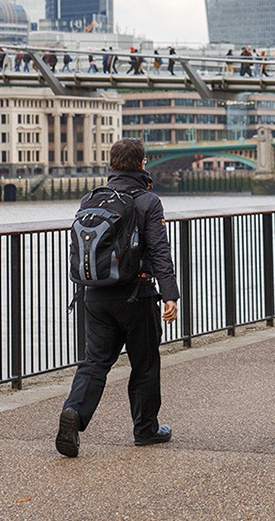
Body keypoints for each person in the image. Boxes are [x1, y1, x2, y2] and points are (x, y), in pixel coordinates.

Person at [55, 138, 180, 455]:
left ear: (111, 165)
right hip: (135, 295)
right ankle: (146, 429)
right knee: (145, 363)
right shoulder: (147, 201)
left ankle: (75, 412)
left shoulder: (91, 199)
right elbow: (159, 252)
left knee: (94, 363)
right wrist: (170, 295)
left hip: (94, 294)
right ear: (142, 164)